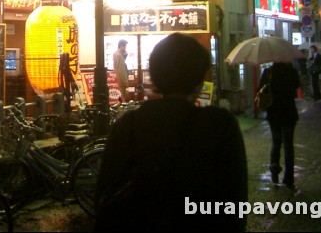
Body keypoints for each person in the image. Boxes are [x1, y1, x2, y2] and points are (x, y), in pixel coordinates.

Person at [95, 33, 247, 231]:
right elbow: (234, 203)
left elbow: (104, 199)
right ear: (199, 80)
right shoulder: (220, 126)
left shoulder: (127, 126)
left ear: (155, 76)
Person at [258, 61, 301, 188]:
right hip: (289, 112)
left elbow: (260, 88)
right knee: (288, 145)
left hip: (274, 112)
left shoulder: (268, 72)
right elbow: (297, 86)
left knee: (276, 142)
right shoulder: (291, 71)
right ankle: (289, 177)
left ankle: (274, 169)